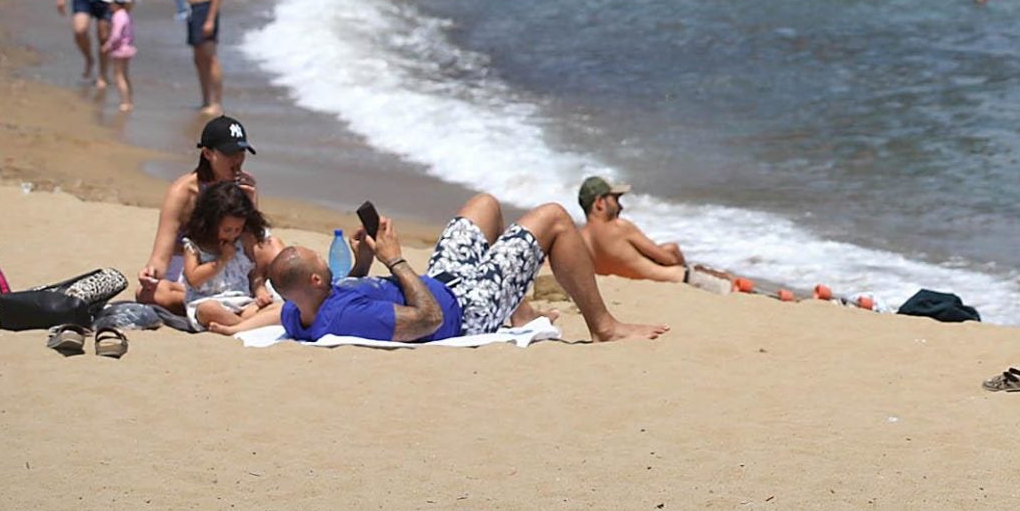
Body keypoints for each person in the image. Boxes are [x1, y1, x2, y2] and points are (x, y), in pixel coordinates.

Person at [257, 192, 665, 344]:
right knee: (555, 217)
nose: (325, 263)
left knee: (484, 205)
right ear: (314, 280)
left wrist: (364, 258)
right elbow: (428, 320)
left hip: (441, 281)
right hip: (465, 310)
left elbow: (350, 289)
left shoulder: (300, 310)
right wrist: (394, 258)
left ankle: (518, 310)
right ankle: (604, 327)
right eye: (320, 263)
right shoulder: (349, 316)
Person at [138, 116, 257, 310]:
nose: (237, 159)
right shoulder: (183, 192)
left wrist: (250, 204)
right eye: (229, 153)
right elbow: (161, 254)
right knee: (148, 293)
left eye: (241, 151)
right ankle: (225, 303)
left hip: (232, 263)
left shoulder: (244, 188)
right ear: (208, 153)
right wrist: (151, 274)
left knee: (273, 246)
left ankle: (221, 303)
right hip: (193, 266)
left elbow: (251, 244)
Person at [178, 180, 283, 334]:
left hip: (243, 303)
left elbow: (254, 272)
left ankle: (238, 326)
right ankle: (244, 327)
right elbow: (193, 278)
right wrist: (222, 260)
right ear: (211, 222)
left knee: (280, 308)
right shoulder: (195, 245)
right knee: (208, 309)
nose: (233, 234)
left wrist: (260, 290)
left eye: (237, 229)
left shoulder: (243, 240)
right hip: (210, 303)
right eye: (227, 229)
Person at [579, 176, 689, 283]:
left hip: (626, 285)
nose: (620, 207)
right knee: (673, 249)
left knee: (669, 247)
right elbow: (669, 260)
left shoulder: (579, 239)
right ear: (600, 202)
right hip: (675, 278)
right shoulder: (619, 227)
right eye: (615, 199)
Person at [170, 0, 226, 114]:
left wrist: (210, 19)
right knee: (198, 58)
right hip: (194, 9)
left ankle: (216, 102)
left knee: (210, 57)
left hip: (205, 9)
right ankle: (205, 99)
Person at [101, 0, 139, 110]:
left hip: (119, 50)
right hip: (127, 48)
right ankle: (129, 99)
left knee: (119, 76)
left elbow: (116, 34)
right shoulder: (126, 15)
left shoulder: (118, 16)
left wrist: (108, 45)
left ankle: (125, 102)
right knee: (125, 75)